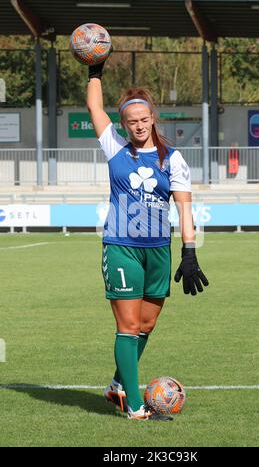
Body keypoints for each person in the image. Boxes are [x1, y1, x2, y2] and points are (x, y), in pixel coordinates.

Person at [86, 57, 209, 421]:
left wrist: (190, 252)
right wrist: (95, 70)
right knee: (127, 326)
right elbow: (94, 105)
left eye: (144, 119)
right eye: (131, 121)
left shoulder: (173, 159)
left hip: (159, 251)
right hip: (121, 247)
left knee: (146, 326)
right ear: (123, 124)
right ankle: (136, 407)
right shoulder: (115, 149)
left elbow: (185, 208)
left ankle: (115, 385)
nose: (138, 126)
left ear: (153, 118)